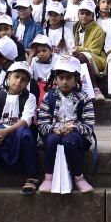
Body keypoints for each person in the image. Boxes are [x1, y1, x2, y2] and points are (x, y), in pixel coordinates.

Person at [0, 61, 39, 196]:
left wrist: (6, 131)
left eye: (24, 80)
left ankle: (31, 177)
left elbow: (25, 120)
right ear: (8, 77)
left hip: (18, 131)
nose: (19, 81)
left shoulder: (30, 97)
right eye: (16, 77)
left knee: (26, 134)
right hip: (1, 130)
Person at [38, 55, 95, 192]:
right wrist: (53, 129)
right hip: (54, 131)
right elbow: (42, 123)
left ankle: (79, 177)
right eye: (61, 78)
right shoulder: (49, 97)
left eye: (68, 78)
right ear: (55, 79)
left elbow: (89, 125)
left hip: (76, 134)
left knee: (69, 142)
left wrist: (74, 128)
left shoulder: (84, 98)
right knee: (52, 141)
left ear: (76, 79)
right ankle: (48, 177)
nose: (64, 82)